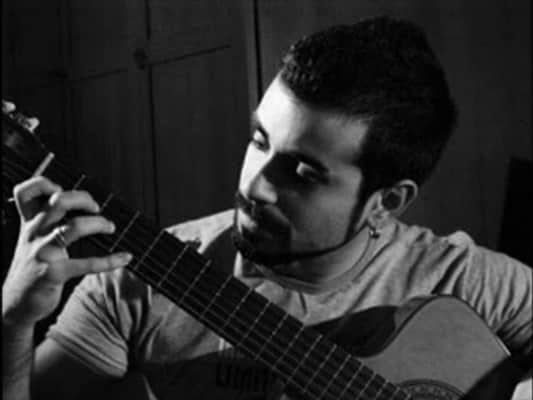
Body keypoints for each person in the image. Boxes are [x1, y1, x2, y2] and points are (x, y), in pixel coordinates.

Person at [3, 15, 531, 400]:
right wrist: (14, 319)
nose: (255, 186)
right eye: (259, 140)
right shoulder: (133, 281)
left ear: (387, 202)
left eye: (303, 173)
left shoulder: (465, 281)